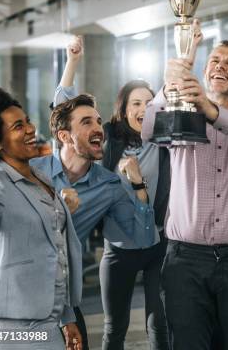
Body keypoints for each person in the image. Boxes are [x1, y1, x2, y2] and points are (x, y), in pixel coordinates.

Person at [141, 33, 228, 349]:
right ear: (204, 73)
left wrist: (210, 110)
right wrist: (167, 87)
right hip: (184, 259)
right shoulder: (182, 116)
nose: (220, 66)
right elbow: (148, 130)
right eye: (214, 60)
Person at [56, 36, 173, 350]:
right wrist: (72, 62)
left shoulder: (165, 142)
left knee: (160, 326)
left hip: (157, 244)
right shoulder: (105, 138)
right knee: (114, 328)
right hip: (118, 247)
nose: (143, 108)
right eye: (136, 102)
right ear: (123, 108)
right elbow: (64, 114)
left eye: (149, 104)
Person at [0, 88, 82, 350]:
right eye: (18, 126)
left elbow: (56, 252)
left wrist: (66, 317)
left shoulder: (41, 179)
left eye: (27, 120)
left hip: (46, 313)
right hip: (14, 321)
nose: (30, 128)